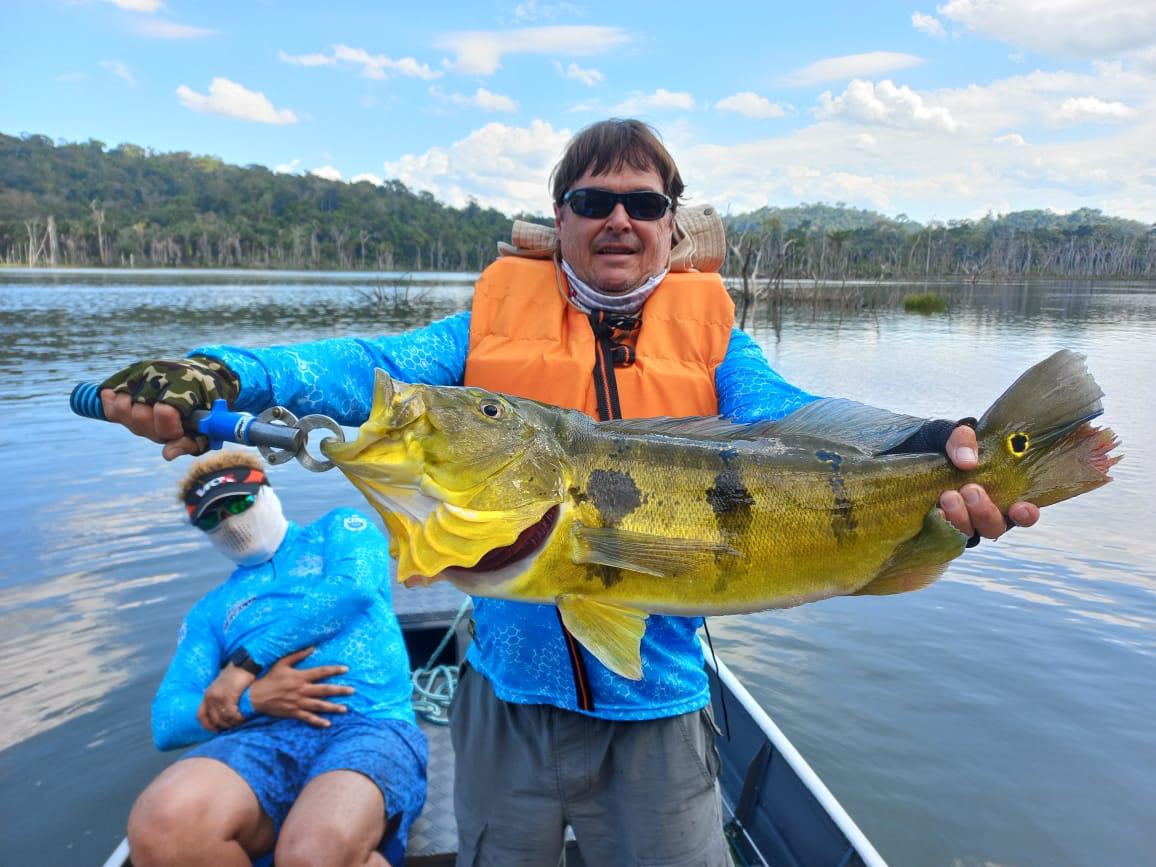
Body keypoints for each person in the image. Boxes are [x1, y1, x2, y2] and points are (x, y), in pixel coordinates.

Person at [100, 118, 1038, 866]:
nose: (618, 219)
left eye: (643, 201)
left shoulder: (714, 342)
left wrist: (932, 450)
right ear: (562, 222)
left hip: (660, 707)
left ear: (673, 223)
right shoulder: (483, 332)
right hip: (507, 700)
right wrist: (223, 373)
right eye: (593, 200)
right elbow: (368, 369)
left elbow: (793, 422)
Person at [125, 452, 427, 867]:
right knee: (162, 830)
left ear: (266, 492)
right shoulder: (210, 611)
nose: (229, 523)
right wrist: (256, 699)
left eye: (238, 504)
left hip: (369, 723)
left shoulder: (337, 530)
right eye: (212, 519)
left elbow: (353, 589)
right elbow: (167, 720)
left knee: (313, 855)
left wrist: (244, 666)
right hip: (262, 736)